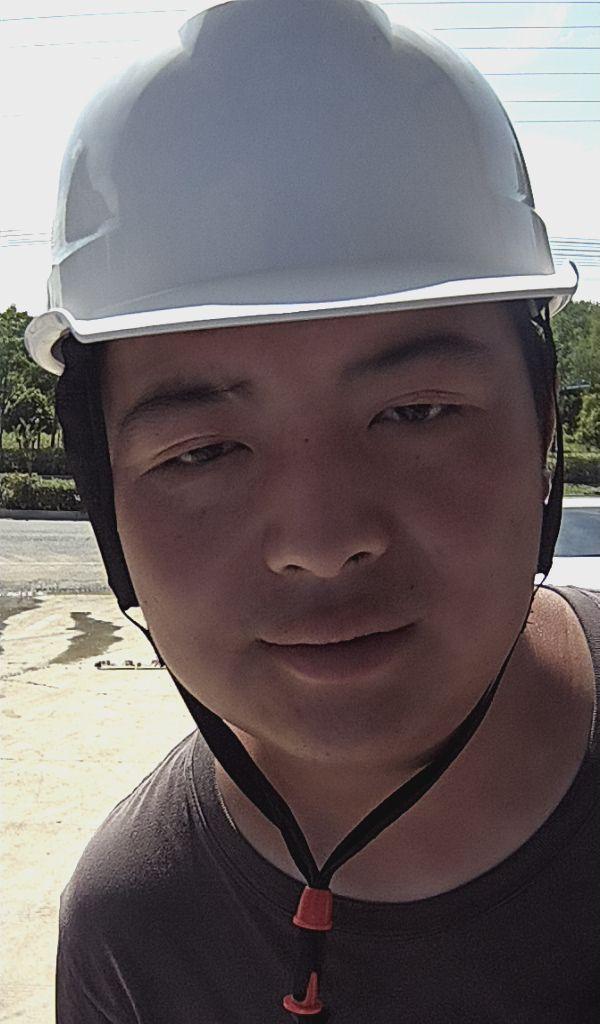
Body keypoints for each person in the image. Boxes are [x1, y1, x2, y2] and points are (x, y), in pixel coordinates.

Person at [24, 1, 599, 1021]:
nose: (323, 543)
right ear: (105, 495)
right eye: (203, 451)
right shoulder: (134, 942)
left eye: (416, 412)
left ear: (543, 427)